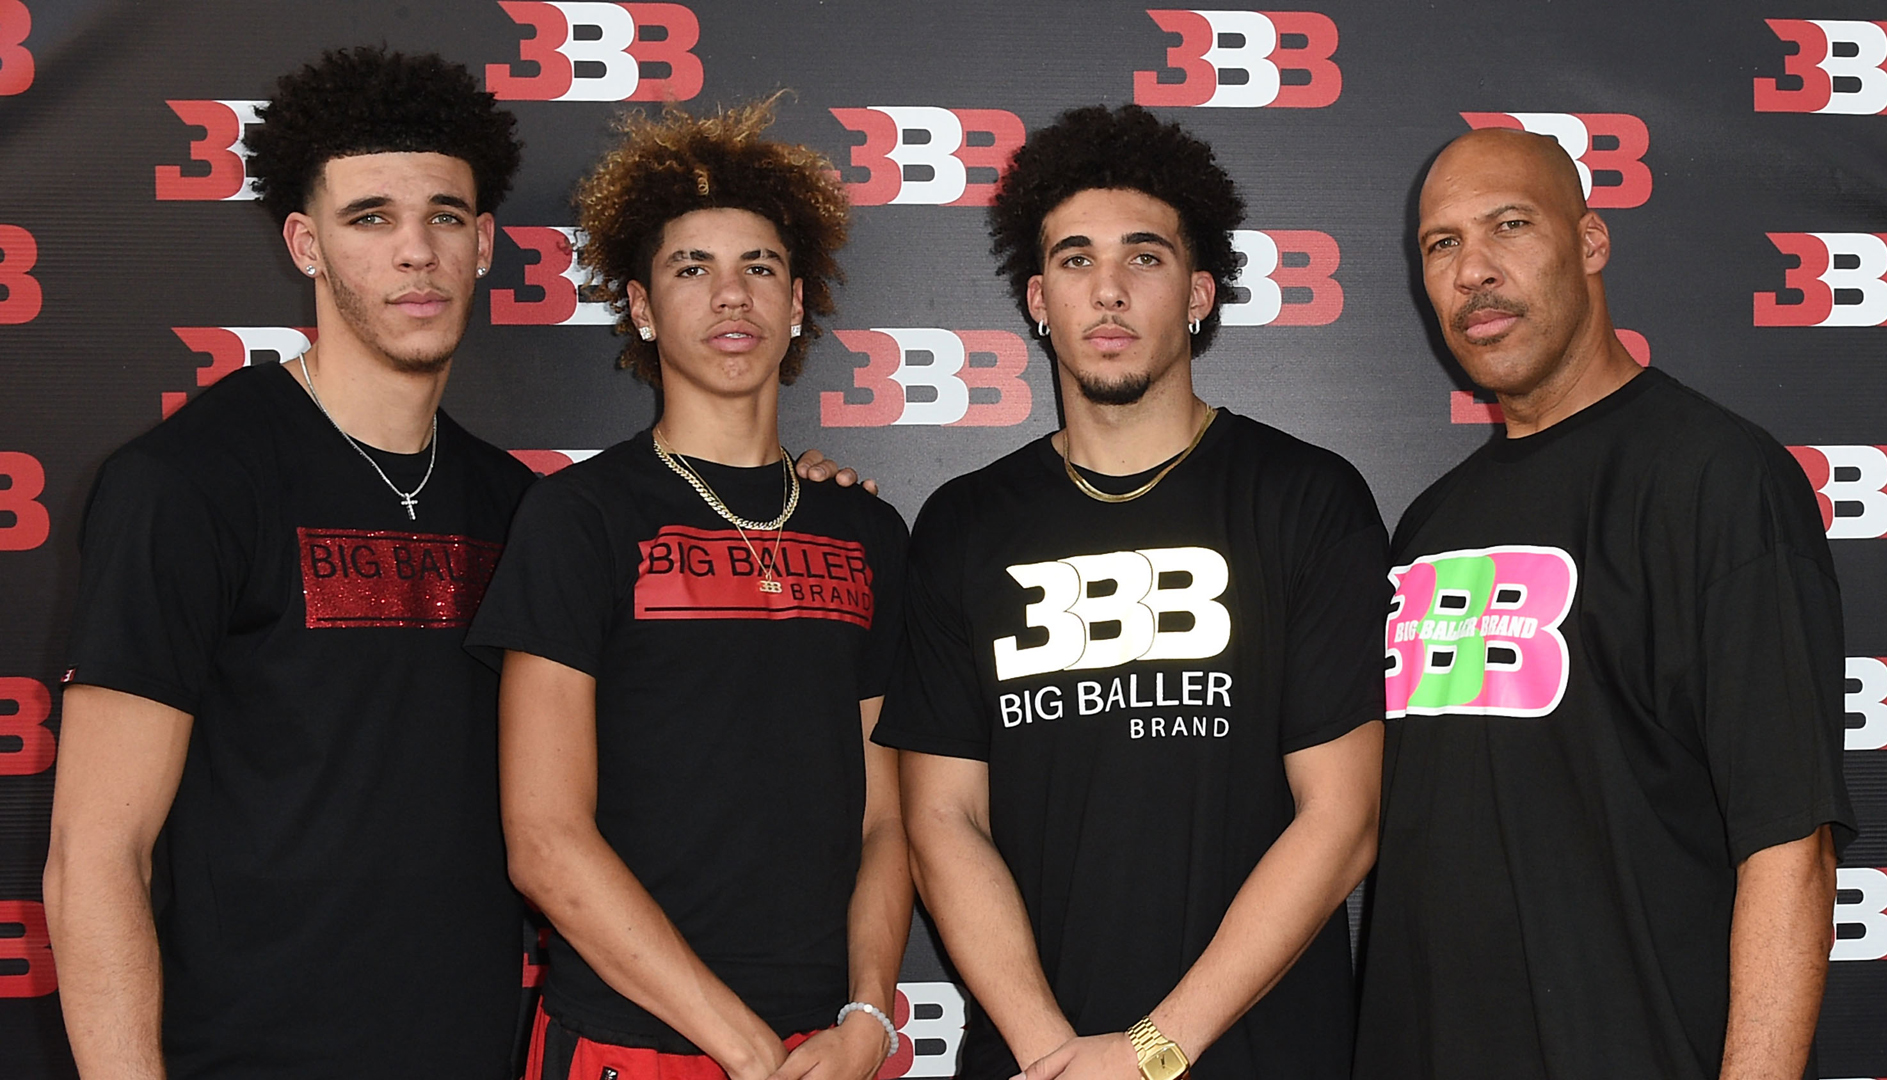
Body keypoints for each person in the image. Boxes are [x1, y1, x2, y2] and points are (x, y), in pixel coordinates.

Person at [43, 47, 532, 1078]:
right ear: (305, 243)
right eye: (371, 218)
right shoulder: (184, 484)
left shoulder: (522, 507)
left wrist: (796, 496)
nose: (416, 253)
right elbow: (96, 856)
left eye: (445, 216)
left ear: (485, 242)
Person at [872, 104, 1387, 1080]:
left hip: (1261, 1055)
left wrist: (1155, 1050)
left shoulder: (1307, 499)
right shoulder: (966, 524)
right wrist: (1055, 1055)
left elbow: (1343, 819)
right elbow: (942, 819)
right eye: (1074, 260)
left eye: (1143, 258)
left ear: (1199, 293)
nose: (1107, 291)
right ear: (1036, 298)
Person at [1353, 128, 1852, 1080]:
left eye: (1510, 226)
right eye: (1442, 245)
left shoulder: (1721, 480)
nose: (1474, 272)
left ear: (1590, 242)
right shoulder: (1427, 525)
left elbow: (1792, 844)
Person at [466, 99, 913, 1080]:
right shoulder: (577, 518)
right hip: (638, 1043)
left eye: (758, 267)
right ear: (638, 305)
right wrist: (748, 1050)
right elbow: (543, 840)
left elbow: (889, 815)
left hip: (833, 1049)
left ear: (798, 303)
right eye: (690, 269)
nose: (729, 297)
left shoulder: (869, 530)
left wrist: (869, 1019)